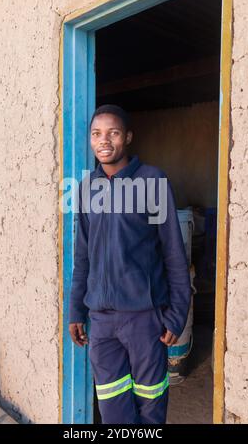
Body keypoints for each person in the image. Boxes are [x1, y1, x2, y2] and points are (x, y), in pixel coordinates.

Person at [69, 104, 191, 424]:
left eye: (113, 132)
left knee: (150, 405)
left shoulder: (152, 181)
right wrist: (76, 311)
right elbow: (83, 256)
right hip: (102, 321)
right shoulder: (87, 189)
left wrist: (177, 314)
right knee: (112, 408)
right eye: (96, 134)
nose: (104, 140)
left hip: (144, 318)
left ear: (128, 137)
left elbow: (174, 254)